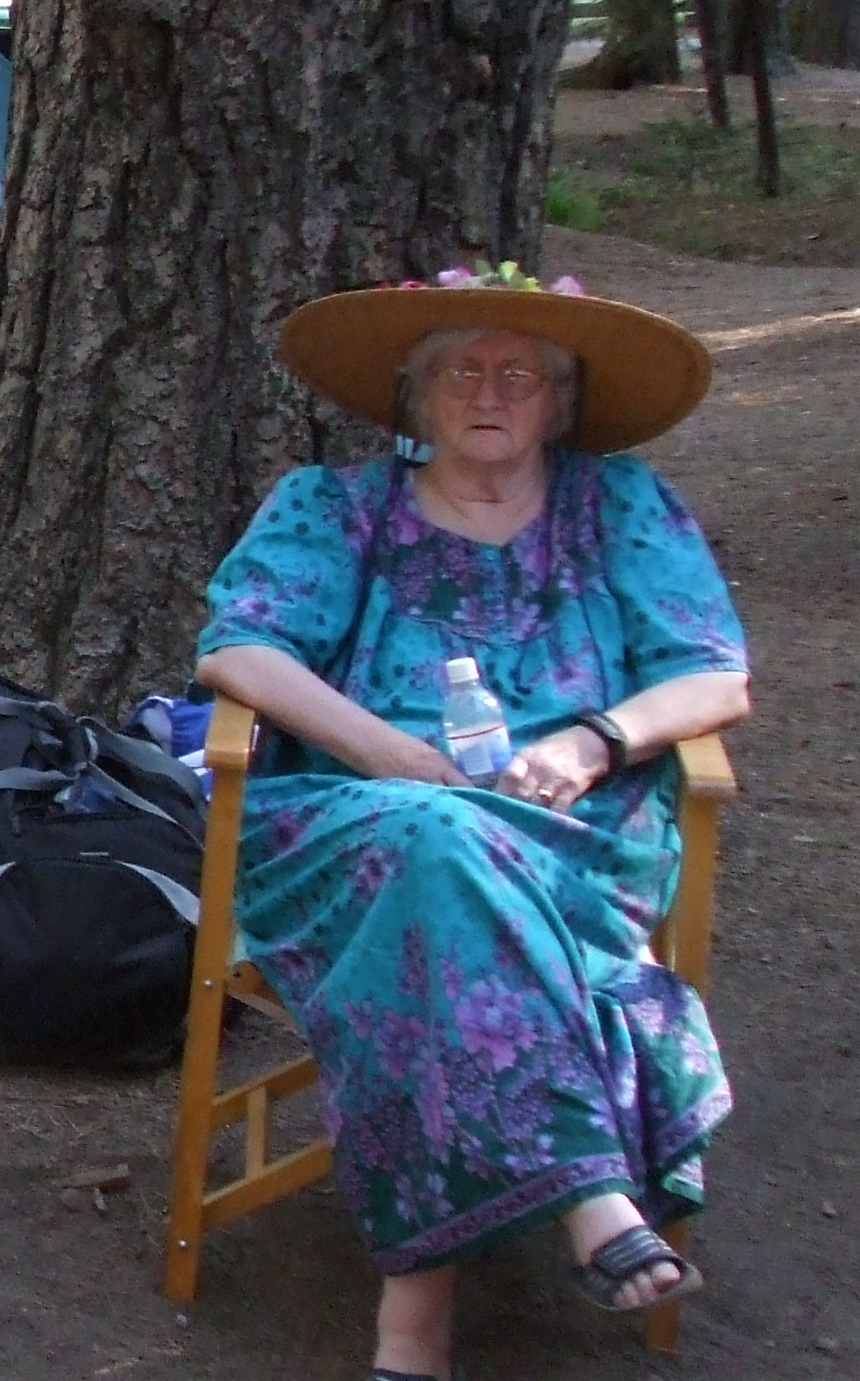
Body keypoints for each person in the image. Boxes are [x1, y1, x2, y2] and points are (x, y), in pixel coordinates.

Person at [193, 267, 750, 1381]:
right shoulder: (334, 506)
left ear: (558, 399)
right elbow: (237, 649)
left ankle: (412, 1334)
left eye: (516, 373)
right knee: (431, 842)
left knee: (441, 879)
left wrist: (591, 740)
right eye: (457, 368)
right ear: (413, 395)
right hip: (352, 823)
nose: (485, 390)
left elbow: (710, 676)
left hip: (571, 835)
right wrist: (386, 752)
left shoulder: (619, 505)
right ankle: (591, 1191)